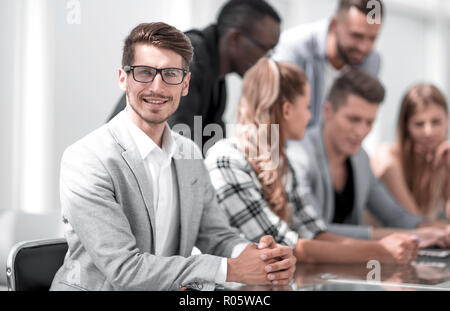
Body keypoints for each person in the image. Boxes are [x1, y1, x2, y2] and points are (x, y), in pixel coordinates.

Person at [50, 22, 296, 291]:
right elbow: (125, 270)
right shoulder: (87, 159)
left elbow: (215, 235)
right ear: (123, 78)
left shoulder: (189, 152)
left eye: (171, 74)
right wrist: (230, 269)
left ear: (185, 83)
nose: (157, 87)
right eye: (144, 72)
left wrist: (262, 258)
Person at [205, 57, 421, 265]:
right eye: (307, 107)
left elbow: (315, 233)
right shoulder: (227, 159)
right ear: (287, 110)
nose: (310, 117)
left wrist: (387, 245)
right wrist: (379, 251)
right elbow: (282, 247)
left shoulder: (283, 164)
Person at [286, 68, 450, 246]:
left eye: (369, 122)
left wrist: (433, 231)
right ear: (328, 111)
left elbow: (393, 214)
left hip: (350, 266)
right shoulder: (299, 157)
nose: (361, 131)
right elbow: (314, 230)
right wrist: (398, 236)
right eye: (353, 119)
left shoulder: (360, 158)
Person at [108, 0, 281, 153]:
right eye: (265, 48)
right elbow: (175, 141)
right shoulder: (190, 60)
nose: (268, 59)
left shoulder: (216, 78)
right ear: (234, 38)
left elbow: (210, 149)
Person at [273, 0, 383, 128]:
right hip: (287, 143)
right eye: (357, 36)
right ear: (334, 25)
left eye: (372, 38)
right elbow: (268, 111)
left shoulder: (371, 61)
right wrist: (271, 148)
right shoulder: (294, 48)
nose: (363, 47)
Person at [371, 84, 450, 222]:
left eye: (436, 122)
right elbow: (416, 223)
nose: (428, 132)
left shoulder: (443, 157)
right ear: (406, 126)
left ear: (447, 120)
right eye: (419, 124)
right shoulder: (388, 160)